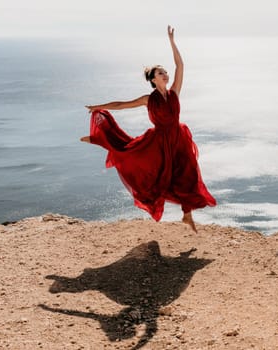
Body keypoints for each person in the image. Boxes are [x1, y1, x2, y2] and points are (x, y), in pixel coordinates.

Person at [81, 25, 216, 232]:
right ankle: (100, 139)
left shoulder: (174, 93)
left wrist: (172, 42)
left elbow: (180, 65)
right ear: (153, 79)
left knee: (188, 175)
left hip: (179, 139)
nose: (166, 74)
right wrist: (100, 106)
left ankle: (187, 216)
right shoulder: (148, 99)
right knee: (149, 171)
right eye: (161, 72)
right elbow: (122, 105)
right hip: (159, 143)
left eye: (165, 72)